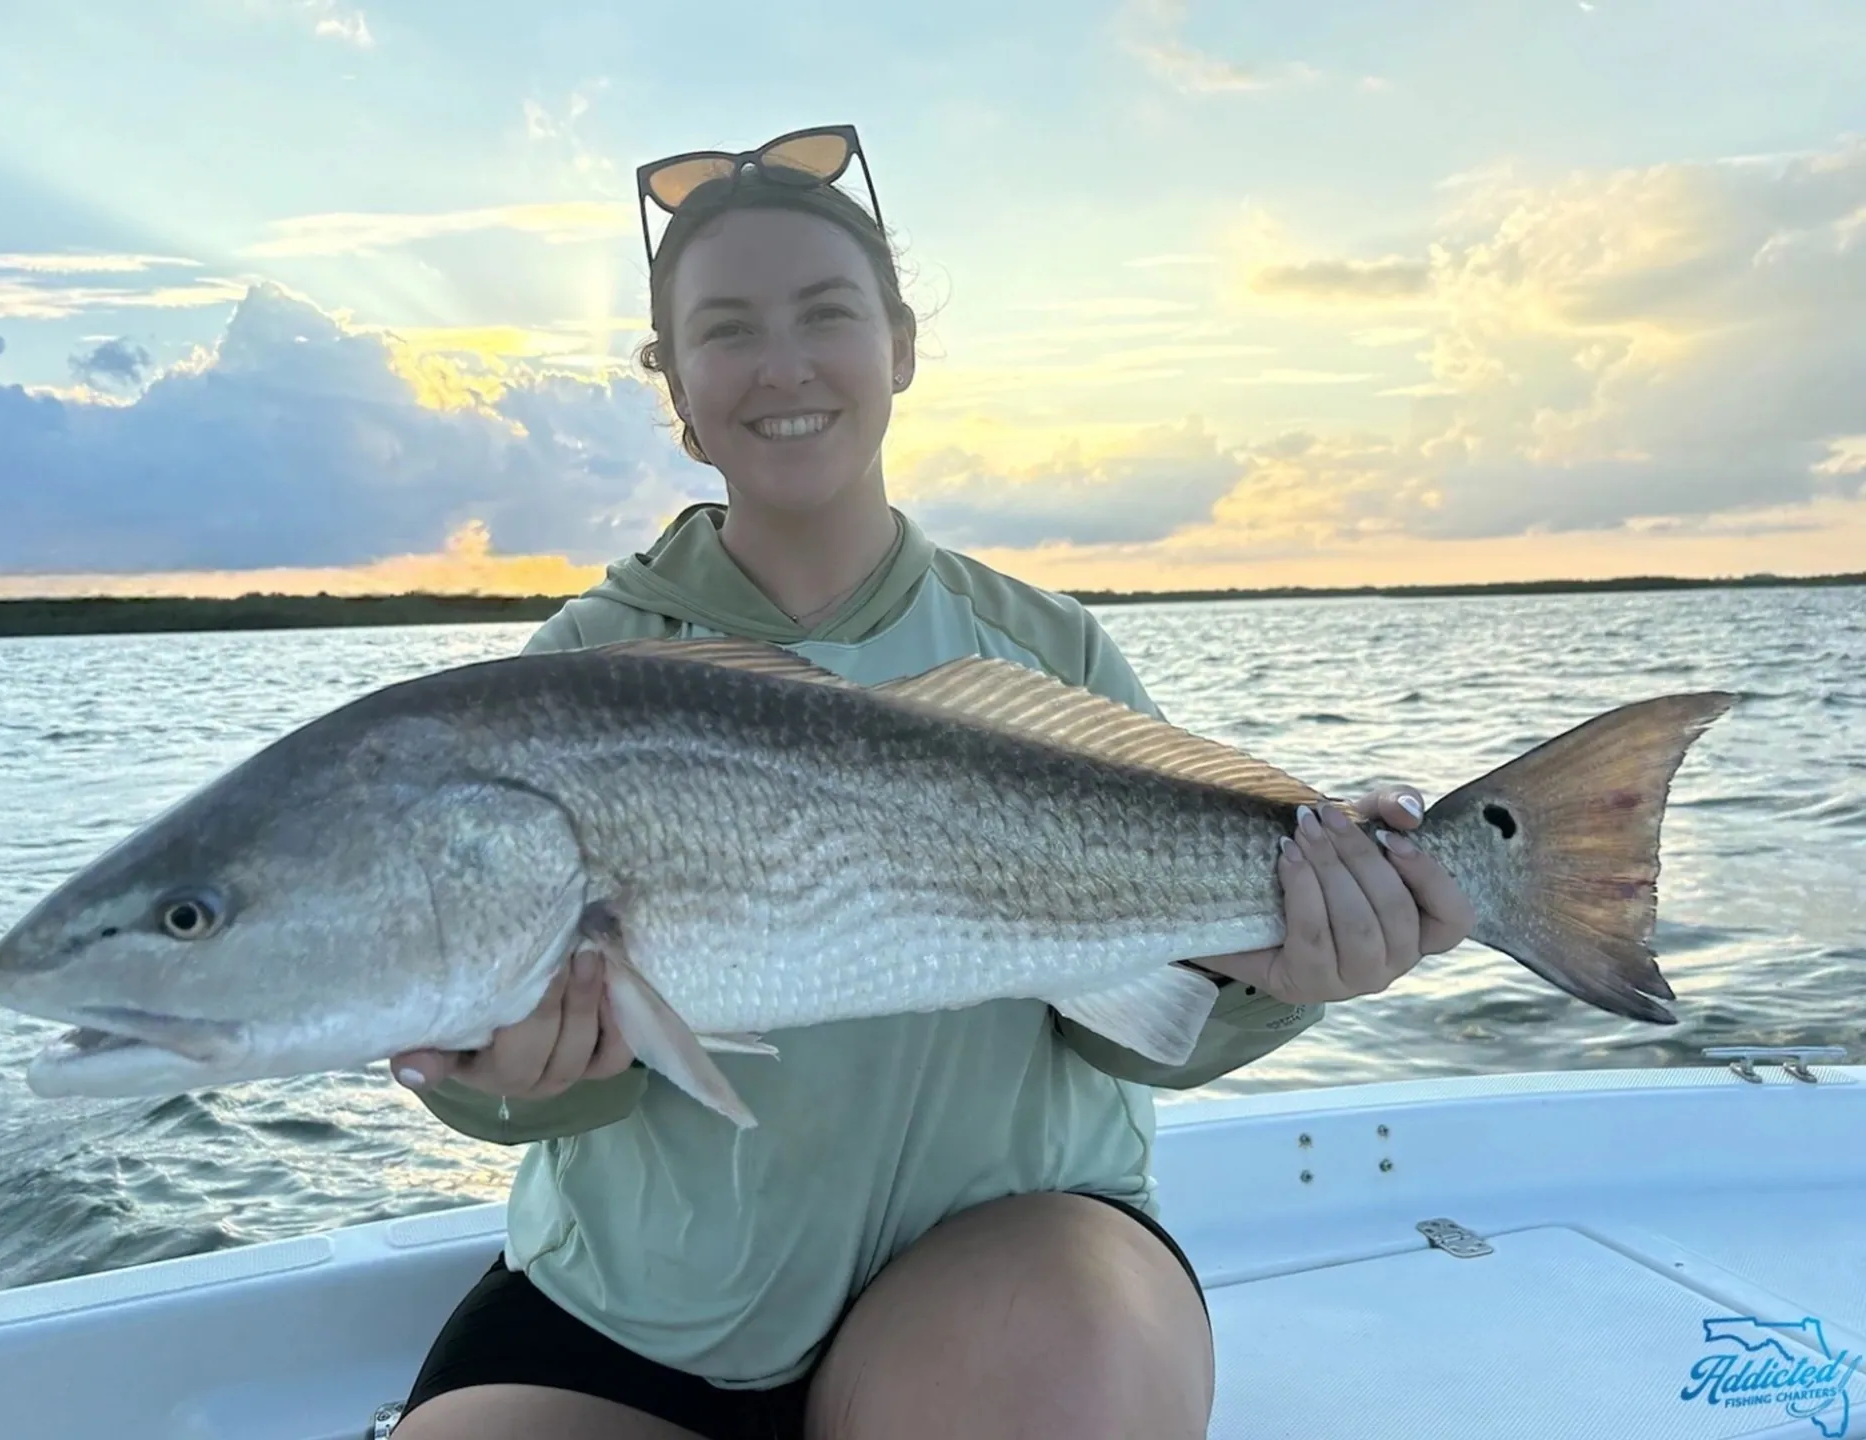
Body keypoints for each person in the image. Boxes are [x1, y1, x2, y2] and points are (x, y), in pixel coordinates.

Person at [386, 124, 1477, 1440]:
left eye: (827, 313)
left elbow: (1140, 1020)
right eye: (725, 329)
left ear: (900, 344)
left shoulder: (1048, 648)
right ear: (671, 385)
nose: (783, 363)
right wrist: (515, 1072)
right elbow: (534, 1086)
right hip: (634, 1314)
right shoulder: (578, 668)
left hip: (1012, 1293)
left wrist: (1287, 973)